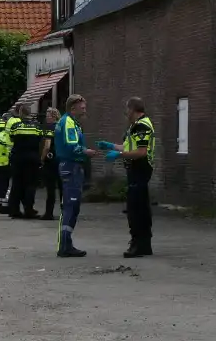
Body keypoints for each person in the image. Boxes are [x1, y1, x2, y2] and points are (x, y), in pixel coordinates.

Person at [97, 97, 155, 258]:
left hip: (139, 169)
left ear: (132, 109)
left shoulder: (142, 125)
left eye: (127, 109)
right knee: (141, 207)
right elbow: (130, 146)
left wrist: (119, 154)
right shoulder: (137, 125)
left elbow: (141, 152)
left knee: (135, 209)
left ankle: (137, 244)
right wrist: (111, 146)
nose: (126, 113)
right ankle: (144, 244)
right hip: (138, 170)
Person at [54, 95, 99, 257]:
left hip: (73, 166)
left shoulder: (72, 123)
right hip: (71, 166)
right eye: (82, 107)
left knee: (73, 205)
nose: (85, 109)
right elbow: (72, 145)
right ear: (73, 108)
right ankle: (64, 244)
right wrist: (86, 152)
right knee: (70, 205)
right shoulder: (69, 123)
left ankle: (67, 243)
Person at [6, 105, 43, 219]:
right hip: (32, 159)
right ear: (30, 113)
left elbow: (12, 139)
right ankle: (29, 209)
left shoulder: (15, 126)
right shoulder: (37, 127)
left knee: (16, 185)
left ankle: (14, 210)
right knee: (30, 185)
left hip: (18, 158)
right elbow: (40, 142)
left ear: (21, 113)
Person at [40, 107, 62, 221]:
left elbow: (47, 146)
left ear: (53, 116)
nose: (46, 118)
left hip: (51, 161)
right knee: (63, 188)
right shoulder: (62, 127)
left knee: (51, 188)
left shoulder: (50, 127)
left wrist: (42, 158)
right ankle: (65, 212)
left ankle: (49, 213)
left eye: (48, 116)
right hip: (62, 159)